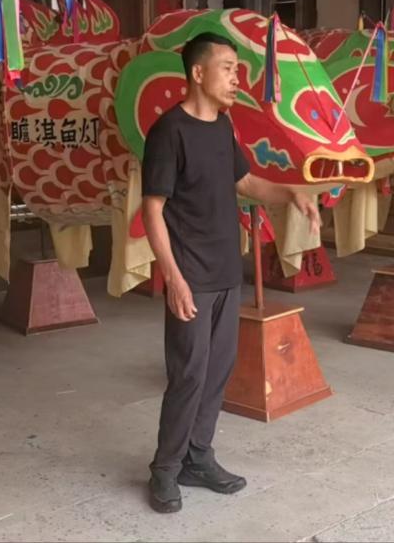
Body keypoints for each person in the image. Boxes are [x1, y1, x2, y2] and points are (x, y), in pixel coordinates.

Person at [140, 31, 322, 514]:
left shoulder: (222, 126)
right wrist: (174, 279)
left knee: (218, 371)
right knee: (188, 374)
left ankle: (198, 457)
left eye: (237, 70)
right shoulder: (169, 132)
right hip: (191, 276)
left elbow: (246, 182)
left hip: (225, 272)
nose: (236, 78)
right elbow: (152, 210)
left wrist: (292, 192)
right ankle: (165, 468)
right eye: (228, 68)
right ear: (198, 72)